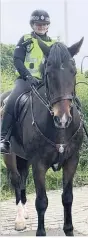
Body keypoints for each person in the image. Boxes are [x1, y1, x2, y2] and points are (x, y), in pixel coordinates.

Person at [0, 9, 57, 154]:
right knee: (12, 100)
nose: (41, 26)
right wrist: (27, 76)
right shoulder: (26, 39)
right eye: (38, 24)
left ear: (48, 26)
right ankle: (3, 138)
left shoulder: (54, 43)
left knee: (68, 100)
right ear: (32, 25)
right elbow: (17, 60)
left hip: (46, 82)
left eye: (44, 24)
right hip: (26, 80)